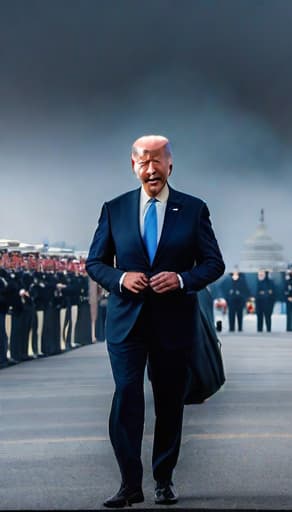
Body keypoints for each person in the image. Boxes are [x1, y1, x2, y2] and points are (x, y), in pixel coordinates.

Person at [86, 135, 225, 508]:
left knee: (168, 402)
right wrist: (119, 278)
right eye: (144, 162)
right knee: (127, 395)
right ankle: (130, 483)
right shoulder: (114, 209)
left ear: (170, 165)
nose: (151, 169)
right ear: (133, 166)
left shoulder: (193, 209)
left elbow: (214, 263)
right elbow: (94, 262)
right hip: (126, 324)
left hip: (173, 322)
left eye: (158, 161)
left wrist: (181, 279)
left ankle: (164, 479)